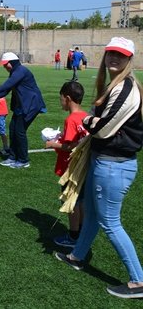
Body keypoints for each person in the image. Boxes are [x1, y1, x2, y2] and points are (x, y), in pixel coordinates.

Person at [54, 37, 143, 299]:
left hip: (114, 165)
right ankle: (76, 256)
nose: (114, 58)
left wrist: (89, 120)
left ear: (130, 59)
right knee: (91, 213)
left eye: (121, 55)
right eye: (111, 53)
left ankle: (138, 280)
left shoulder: (126, 88)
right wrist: (92, 121)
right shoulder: (116, 84)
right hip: (105, 161)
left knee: (110, 223)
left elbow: (102, 129)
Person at [0, 52, 46, 169]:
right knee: (13, 129)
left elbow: (7, 85)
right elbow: (5, 91)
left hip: (31, 106)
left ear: (13, 62)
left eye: (6, 64)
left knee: (19, 131)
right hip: (22, 106)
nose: (5, 67)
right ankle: (13, 157)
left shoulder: (20, 71)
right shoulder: (15, 72)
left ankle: (23, 160)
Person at [45, 81, 88, 248]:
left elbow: (69, 146)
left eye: (61, 98)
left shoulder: (70, 119)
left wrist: (52, 144)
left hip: (70, 168)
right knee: (81, 200)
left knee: (71, 203)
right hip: (81, 168)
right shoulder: (84, 116)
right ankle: (82, 232)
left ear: (68, 98)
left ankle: (73, 236)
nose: (60, 101)